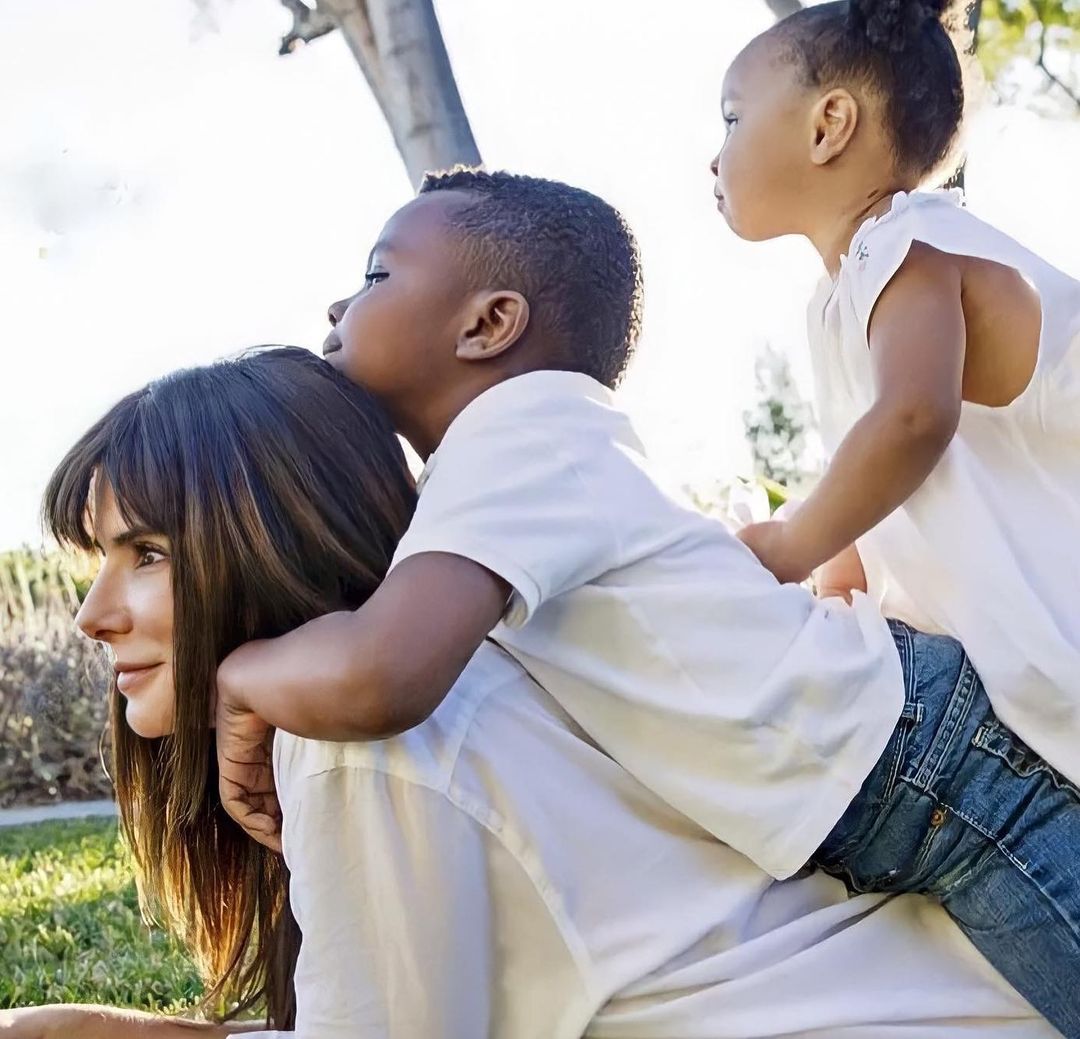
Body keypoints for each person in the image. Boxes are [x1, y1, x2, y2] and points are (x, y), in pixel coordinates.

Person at [212, 172, 1080, 1034]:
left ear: (488, 324)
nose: (337, 305)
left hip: (932, 773)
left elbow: (385, 673)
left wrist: (237, 678)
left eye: (375, 276)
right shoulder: (514, 457)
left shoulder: (516, 437)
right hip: (900, 776)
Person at [0, 348, 1059, 1038]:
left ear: (270, 538)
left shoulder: (357, 741)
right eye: (96, 554)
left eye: (145, 553)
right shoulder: (480, 656)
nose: (94, 611)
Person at [713, 1, 1080, 796]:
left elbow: (914, 420)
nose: (716, 156)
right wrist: (835, 591)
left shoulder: (907, 244)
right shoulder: (840, 303)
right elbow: (869, 489)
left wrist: (786, 544)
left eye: (732, 117)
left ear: (828, 125)